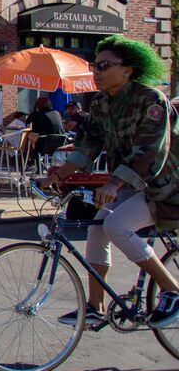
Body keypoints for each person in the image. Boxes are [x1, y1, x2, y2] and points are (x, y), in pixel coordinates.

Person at [41, 36, 179, 330]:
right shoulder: (102, 103)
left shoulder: (151, 100)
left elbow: (151, 151)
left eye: (104, 65)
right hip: (132, 184)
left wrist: (114, 184)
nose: (96, 71)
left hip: (165, 185)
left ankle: (172, 289)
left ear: (128, 70)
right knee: (95, 229)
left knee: (116, 226)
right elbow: (88, 145)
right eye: (95, 65)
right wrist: (58, 175)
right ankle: (95, 307)